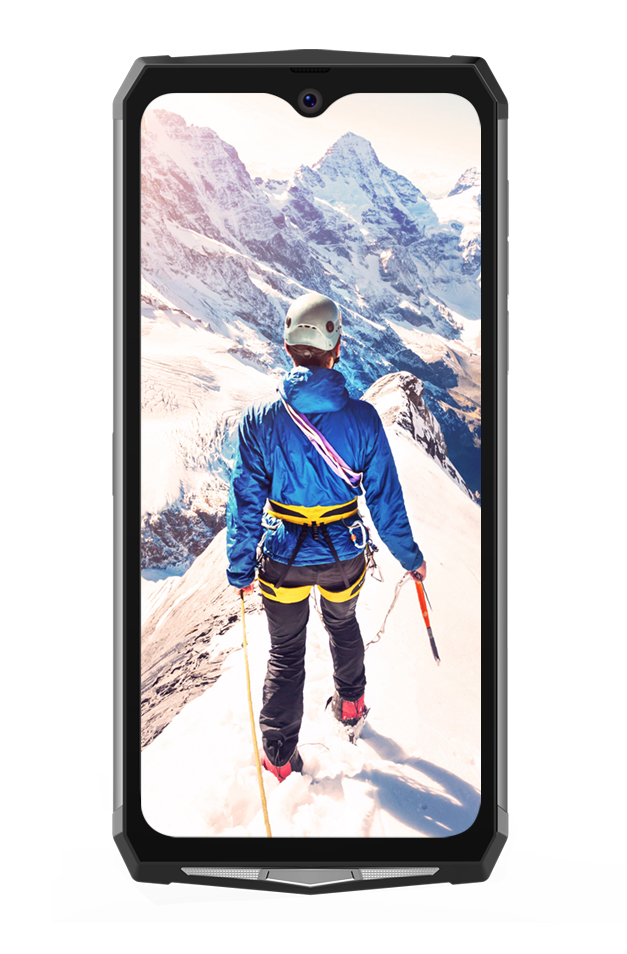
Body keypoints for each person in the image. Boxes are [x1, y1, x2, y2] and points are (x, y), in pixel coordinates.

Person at [226, 292, 426, 781]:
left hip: (282, 559)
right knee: (342, 623)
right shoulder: (363, 420)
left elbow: (245, 502)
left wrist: (240, 569)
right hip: (343, 555)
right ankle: (351, 705)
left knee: (286, 652)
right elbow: (385, 502)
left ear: (287, 347)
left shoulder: (260, 420)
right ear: (337, 347)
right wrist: (411, 558)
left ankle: (279, 759)